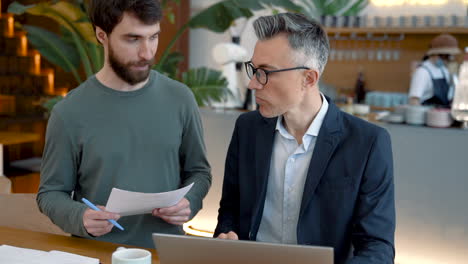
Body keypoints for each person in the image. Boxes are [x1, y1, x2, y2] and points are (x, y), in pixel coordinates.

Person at [215, 13, 395, 264]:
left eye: (265, 72)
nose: (252, 84)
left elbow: (377, 247)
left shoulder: (367, 142)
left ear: (308, 78)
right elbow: (230, 210)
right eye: (253, 70)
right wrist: (227, 236)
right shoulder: (247, 129)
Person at [37, 0, 211, 248]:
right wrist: (80, 217)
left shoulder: (181, 99)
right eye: (133, 39)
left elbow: (199, 173)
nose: (147, 52)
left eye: (153, 37)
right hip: (99, 252)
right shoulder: (69, 112)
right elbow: (50, 193)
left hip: (166, 252)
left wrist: (190, 202)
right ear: (101, 35)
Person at [409, 33, 461, 107]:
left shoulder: (443, 70)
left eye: (449, 57)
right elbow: (414, 100)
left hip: (442, 113)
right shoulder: (422, 72)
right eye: (445, 56)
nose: (448, 60)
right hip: (428, 115)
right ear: (435, 54)